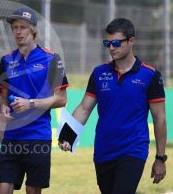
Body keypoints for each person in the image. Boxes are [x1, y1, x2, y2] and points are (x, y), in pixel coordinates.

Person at [59, 18, 167, 193]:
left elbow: (159, 118)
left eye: (116, 43)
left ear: (131, 41)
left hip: (133, 150)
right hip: (103, 150)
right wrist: (68, 134)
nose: (111, 47)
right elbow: (84, 108)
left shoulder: (150, 75)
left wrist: (160, 158)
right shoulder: (99, 73)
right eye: (107, 43)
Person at [0, 7, 68, 194]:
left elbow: (61, 99)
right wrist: (3, 106)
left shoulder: (51, 59)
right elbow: (1, 94)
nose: (18, 32)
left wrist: (31, 103)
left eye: (23, 27)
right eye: (14, 28)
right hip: (11, 138)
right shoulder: (7, 60)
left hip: (38, 137)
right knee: (2, 189)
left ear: (33, 30)